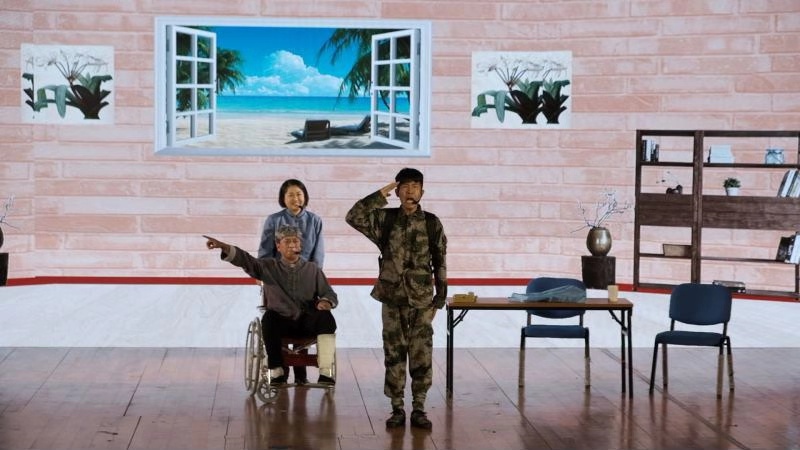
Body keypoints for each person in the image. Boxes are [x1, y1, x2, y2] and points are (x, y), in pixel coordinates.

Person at [345, 167, 447, 430]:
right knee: (393, 352)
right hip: (391, 297)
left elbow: (440, 261)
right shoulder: (385, 219)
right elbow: (353, 216)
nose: (410, 191)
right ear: (398, 191)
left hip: (422, 299)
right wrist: (381, 193)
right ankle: (397, 408)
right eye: (405, 186)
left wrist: (440, 298)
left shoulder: (432, 223)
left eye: (415, 186)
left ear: (422, 192)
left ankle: (420, 407)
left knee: (421, 353)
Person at [204, 225, 337, 386]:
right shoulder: (267, 267)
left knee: (326, 318)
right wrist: (224, 247)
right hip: (281, 322)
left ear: (300, 245)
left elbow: (328, 293)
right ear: (278, 246)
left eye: (295, 241)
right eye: (287, 241)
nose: (292, 244)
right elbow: (246, 260)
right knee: (269, 318)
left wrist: (325, 301)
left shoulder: (312, 269)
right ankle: (276, 370)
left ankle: (326, 371)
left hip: (307, 322)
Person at [258, 179, 325, 384]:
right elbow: (265, 251)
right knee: (278, 318)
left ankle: (301, 373)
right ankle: (281, 369)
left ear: (305, 196)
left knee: (305, 316)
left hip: (305, 278)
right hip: (279, 278)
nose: (295, 198)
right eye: (290, 195)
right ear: (283, 198)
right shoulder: (274, 220)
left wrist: (314, 277)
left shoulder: (314, 221)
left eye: (299, 194)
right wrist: (264, 275)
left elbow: (318, 254)